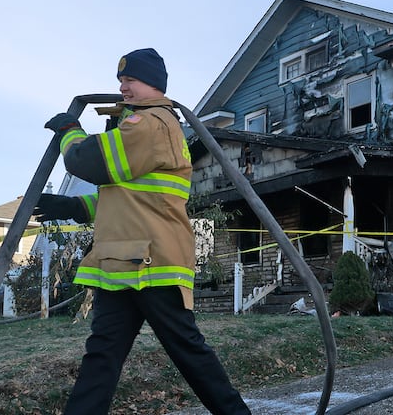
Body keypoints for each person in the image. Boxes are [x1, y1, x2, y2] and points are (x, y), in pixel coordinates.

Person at [34, 48, 250, 415]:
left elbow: (88, 160)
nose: (123, 88)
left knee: (189, 353)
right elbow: (127, 201)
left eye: (130, 80)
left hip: (153, 265)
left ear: (153, 84)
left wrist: (69, 132)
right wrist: (72, 207)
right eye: (121, 81)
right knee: (101, 357)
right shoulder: (141, 126)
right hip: (122, 264)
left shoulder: (151, 125)